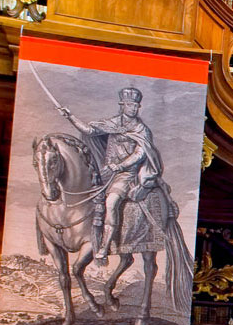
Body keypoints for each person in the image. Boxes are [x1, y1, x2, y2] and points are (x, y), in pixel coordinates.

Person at [60, 85, 164, 258]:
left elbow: (140, 153)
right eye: (130, 105)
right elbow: (89, 130)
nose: (134, 108)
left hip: (127, 175)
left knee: (111, 202)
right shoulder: (112, 123)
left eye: (136, 105)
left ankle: (105, 246)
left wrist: (121, 166)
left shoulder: (141, 129)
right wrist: (70, 117)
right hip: (106, 172)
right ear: (122, 105)